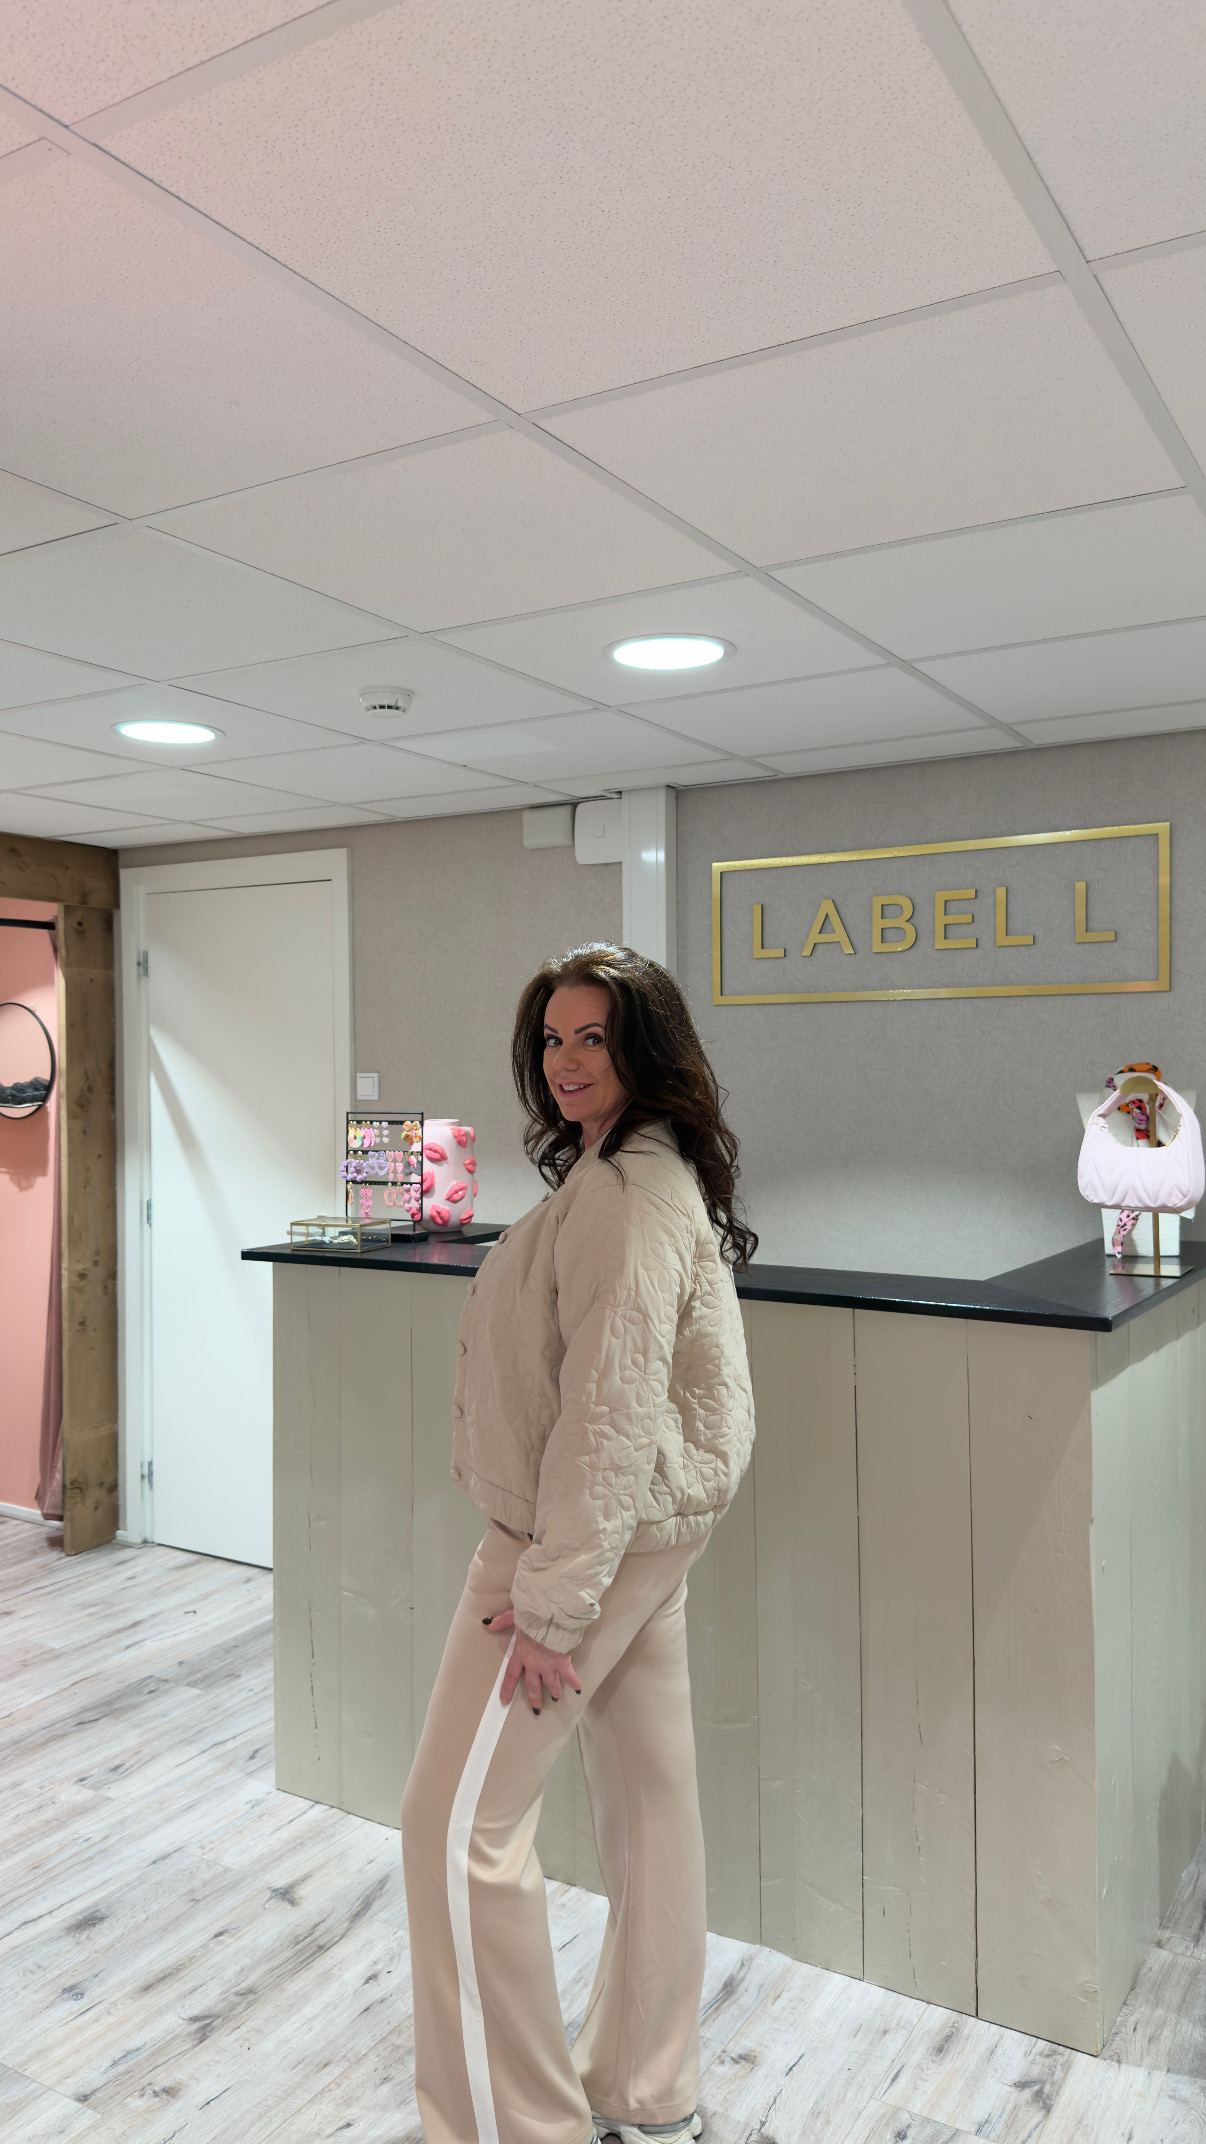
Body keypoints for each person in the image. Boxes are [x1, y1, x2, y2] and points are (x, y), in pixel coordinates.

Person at [400, 941, 757, 2144]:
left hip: (568, 1545)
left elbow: (608, 1409)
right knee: (652, 1808)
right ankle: (649, 2091)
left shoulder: (625, 1195)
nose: (565, 1060)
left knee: (456, 1831)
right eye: (553, 1038)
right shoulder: (636, 1171)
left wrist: (551, 1606)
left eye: (593, 1037)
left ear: (644, 1050)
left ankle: (517, 2125)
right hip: (644, 1535)